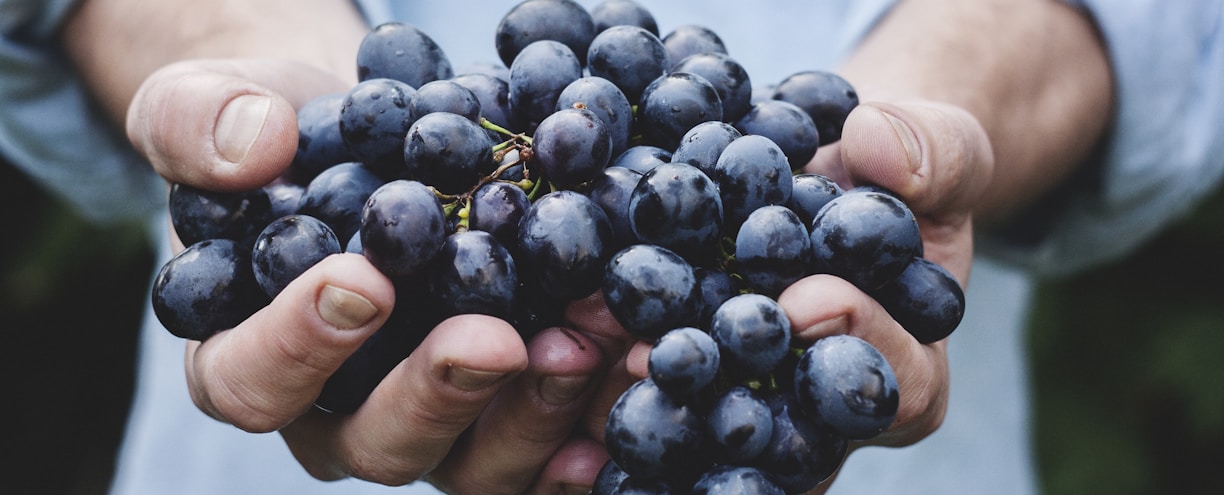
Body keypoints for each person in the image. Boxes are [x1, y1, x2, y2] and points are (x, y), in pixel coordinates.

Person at [1, 0, 1221, 494]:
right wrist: (238, 78)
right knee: (379, 308)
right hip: (292, 404)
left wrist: (931, 114)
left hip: (840, 377)